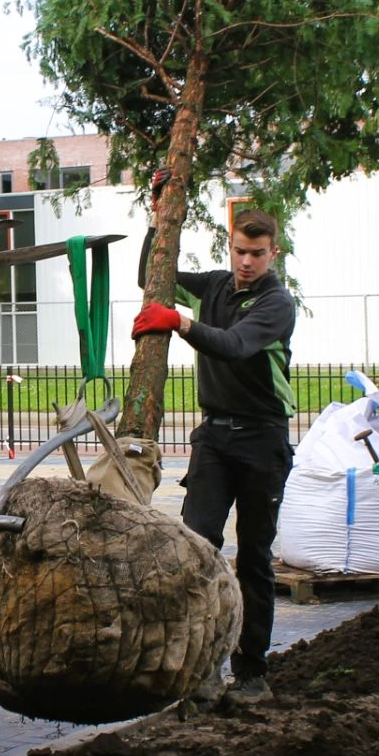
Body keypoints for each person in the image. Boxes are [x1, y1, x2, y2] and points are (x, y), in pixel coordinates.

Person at [131, 205, 297, 705]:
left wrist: (178, 322)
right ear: (231, 246)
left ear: (274, 253)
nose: (246, 262)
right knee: (196, 549)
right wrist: (159, 220)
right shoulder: (216, 285)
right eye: (240, 251)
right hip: (215, 438)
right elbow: (151, 277)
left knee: (254, 561)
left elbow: (233, 345)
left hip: (262, 441)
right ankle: (202, 669)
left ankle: (251, 674)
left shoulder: (277, 302)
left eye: (257, 254)